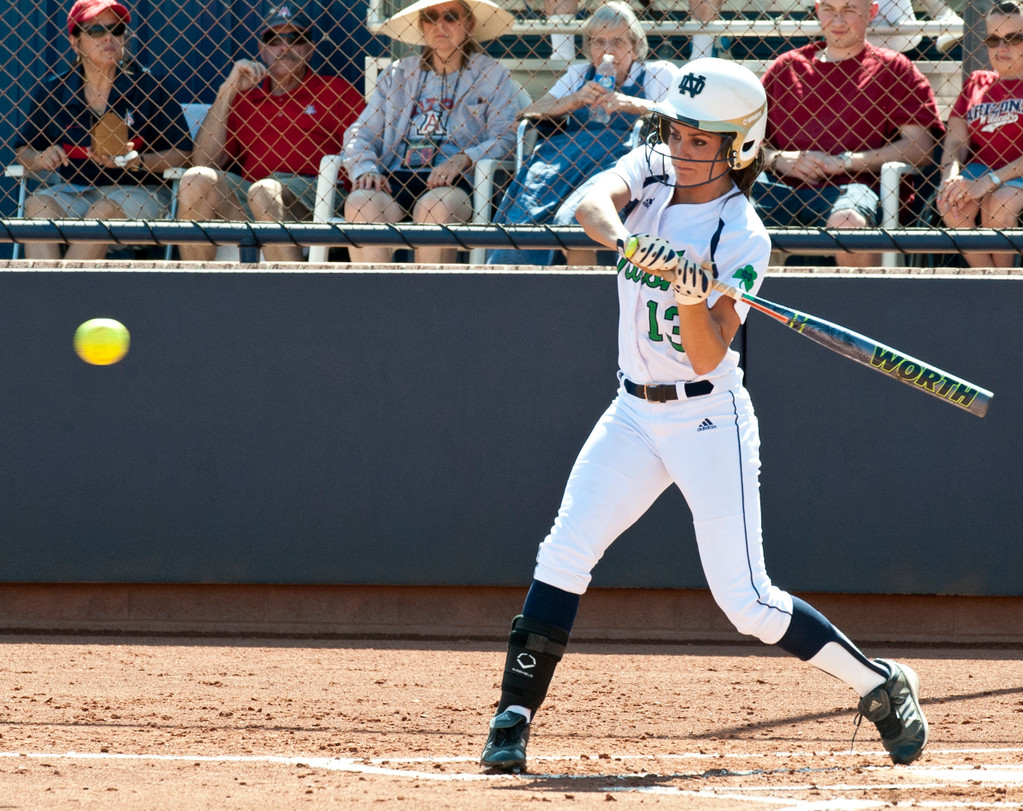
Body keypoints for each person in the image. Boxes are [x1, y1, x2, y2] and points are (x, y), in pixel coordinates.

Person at [478, 58, 928, 775]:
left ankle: (878, 683)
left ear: (738, 145)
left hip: (706, 419)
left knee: (745, 600)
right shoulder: (651, 173)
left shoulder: (742, 234)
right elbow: (589, 203)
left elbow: (704, 353)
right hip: (630, 411)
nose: (681, 147)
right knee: (565, 549)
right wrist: (632, 245)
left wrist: (691, 292)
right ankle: (513, 714)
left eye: (699, 139)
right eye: (675, 131)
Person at [755, 0, 944, 267]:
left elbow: (920, 148)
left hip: (855, 189)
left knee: (847, 223)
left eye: (850, 9)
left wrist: (845, 161)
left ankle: (866, 307)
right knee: (727, 217)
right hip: (781, 187)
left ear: (872, 12)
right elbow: (743, 146)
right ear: (817, 10)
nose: (838, 20)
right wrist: (780, 159)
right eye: (829, 9)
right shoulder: (786, 67)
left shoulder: (893, 68)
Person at [488, 1, 677, 267]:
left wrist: (631, 104)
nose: (608, 50)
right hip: (568, 158)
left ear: (634, 48)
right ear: (589, 49)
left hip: (619, 159)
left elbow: (681, 113)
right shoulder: (579, 74)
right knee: (527, 213)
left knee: (572, 219)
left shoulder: (657, 74)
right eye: (599, 42)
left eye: (618, 42)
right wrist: (574, 100)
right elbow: (531, 111)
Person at [176, 4, 363, 263]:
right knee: (195, 179)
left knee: (264, 191)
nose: (284, 48)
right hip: (253, 196)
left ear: (309, 48)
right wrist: (227, 89)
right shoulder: (244, 97)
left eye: (295, 39)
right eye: (274, 40)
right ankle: (195, 293)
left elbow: (366, 148)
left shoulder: (336, 91)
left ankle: (290, 296)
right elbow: (203, 162)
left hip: (314, 196)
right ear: (262, 50)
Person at [342, 0, 519, 265]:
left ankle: (425, 303)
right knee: (359, 203)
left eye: (450, 16)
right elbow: (361, 132)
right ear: (421, 25)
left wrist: (466, 157)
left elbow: (507, 137)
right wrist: (365, 169)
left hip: (457, 182)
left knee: (435, 208)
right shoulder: (398, 72)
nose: (440, 25)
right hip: (395, 177)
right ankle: (378, 302)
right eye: (430, 16)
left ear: (469, 24)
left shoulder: (492, 74)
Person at [13, 0, 191, 260]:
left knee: (102, 212)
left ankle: (55, 296)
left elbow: (184, 153)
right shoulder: (53, 91)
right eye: (96, 31)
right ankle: (54, 294)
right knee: (37, 205)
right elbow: (23, 150)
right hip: (75, 189)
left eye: (117, 29)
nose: (109, 36)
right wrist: (40, 158)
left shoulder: (151, 86)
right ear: (75, 41)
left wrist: (138, 162)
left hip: (140, 192)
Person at [935, 0, 1023, 268]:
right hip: (980, 170)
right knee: (951, 202)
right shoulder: (977, 82)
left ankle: (1003, 286)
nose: (1001, 47)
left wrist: (991, 181)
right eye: (993, 39)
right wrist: (950, 176)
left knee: (1000, 202)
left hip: (1016, 175)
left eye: (1013, 38)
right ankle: (989, 278)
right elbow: (955, 140)